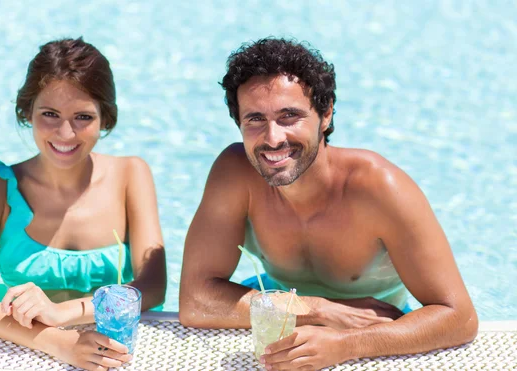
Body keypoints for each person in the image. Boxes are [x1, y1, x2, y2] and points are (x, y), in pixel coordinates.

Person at [179, 38, 477, 370]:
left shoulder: (378, 188)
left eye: (289, 116)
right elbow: (195, 302)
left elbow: (459, 317)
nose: (273, 138)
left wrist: (350, 344)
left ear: (326, 113)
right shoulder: (235, 173)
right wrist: (317, 311)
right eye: (255, 119)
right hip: (281, 309)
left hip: (376, 327)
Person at [0, 37, 166, 371]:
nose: (65, 133)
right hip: (14, 346)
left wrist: (66, 313)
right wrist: (59, 342)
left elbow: (152, 286)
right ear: (27, 112)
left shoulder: (130, 175)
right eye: (50, 114)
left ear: (105, 119)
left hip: (112, 350)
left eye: (83, 117)